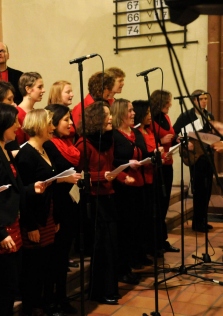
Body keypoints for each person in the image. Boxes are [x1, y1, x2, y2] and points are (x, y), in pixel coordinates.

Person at [0, 103, 45, 315]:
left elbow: (12, 188)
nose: (18, 125)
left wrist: (31, 189)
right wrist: (0, 233)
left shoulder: (4, 148)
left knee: (10, 286)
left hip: (12, 224)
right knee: (3, 290)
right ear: (1, 123)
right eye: (14, 121)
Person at [16, 109, 78, 315]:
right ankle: (32, 307)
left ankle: (46, 303)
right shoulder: (26, 155)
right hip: (35, 218)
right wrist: (31, 225)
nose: (52, 127)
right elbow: (23, 195)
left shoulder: (46, 147)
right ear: (39, 126)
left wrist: (56, 217)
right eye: (50, 123)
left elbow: (51, 180)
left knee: (47, 264)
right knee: (34, 268)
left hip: (49, 214)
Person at [75, 101, 133, 305]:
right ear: (96, 119)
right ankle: (99, 291)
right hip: (93, 200)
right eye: (107, 115)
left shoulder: (108, 139)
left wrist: (121, 176)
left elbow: (111, 167)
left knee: (112, 245)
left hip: (109, 196)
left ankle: (110, 288)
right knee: (102, 247)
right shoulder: (84, 143)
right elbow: (79, 175)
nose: (111, 118)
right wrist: (102, 176)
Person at [43, 104, 81, 314]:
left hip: (70, 203)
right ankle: (52, 300)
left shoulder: (69, 143)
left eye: (70, 119)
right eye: (66, 119)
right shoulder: (49, 145)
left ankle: (61, 297)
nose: (70, 123)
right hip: (57, 206)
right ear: (54, 122)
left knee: (63, 254)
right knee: (55, 258)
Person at [110, 99, 151, 286]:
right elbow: (112, 159)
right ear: (120, 113)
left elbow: (142, 151)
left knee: (136, 225)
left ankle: (131, 262)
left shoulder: (135, 132)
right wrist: (128, 163)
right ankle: (121, 269)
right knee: (124, 229)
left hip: (139, 183)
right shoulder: (113, 135)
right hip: (123, 186)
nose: (133, 113)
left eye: (133, 110)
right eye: (129, 110)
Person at [173, 90, 215, 233]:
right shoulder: (186, 116)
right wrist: (185, 143)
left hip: (208, 155)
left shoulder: (208, 115)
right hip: (195, 157)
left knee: (208, 188)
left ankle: (203, 219)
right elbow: (175, 134)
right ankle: (197, 222)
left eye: (205, 99)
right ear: (193, 101)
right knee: (199, 189)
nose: (204, 101)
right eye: (201, 99)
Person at [150, 89, 180, 254]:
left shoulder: (167, 118)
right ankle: (155, 242)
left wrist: (177, 139)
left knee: (165, 203)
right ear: (160, 102)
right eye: (167, 101)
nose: (170, 104)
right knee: (157, 204)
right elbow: (148, 140)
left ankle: (163, 240)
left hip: (168, 164)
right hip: (157, 167)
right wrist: (159, 140)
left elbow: (172, 134)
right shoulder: (151, 121)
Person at [133, 100, 161, 255]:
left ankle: (151, 245)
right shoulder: (137, 132)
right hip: (142, 176)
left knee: (152, 213)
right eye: (148, 113)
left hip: (153, 174)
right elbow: (142, 153)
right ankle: (142, 249)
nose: (150, 116)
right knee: (143, 217)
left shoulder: (149, 131)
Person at [15, 72, 46, 145]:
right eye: (39, 87)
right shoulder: (17, 115)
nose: (43, 90)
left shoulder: (34, 112)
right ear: (28, 89)